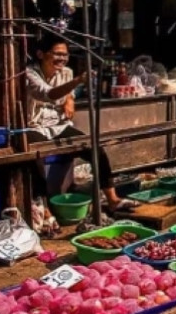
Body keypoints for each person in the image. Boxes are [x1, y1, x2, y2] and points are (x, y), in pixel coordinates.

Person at [24, 33, 121, 209]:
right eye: (57, 54)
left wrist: (70, 99)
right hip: (34, 127)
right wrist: (77, 82)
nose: (62, 59)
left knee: (95, 149)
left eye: (65, 55)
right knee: (35, 160)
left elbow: (68, 93)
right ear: (41, 54)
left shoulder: (66, 72)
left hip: (59, 126)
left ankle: (113, 199)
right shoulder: (30, 74)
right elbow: (49, 94)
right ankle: (44, 210)